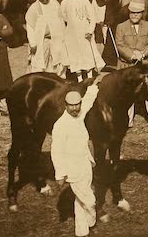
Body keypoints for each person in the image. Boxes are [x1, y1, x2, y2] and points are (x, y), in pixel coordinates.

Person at [51, 81, 101, 237]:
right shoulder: (60, 125)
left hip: (86, 163)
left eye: (77, 105)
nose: (75, 108)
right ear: (65, 105)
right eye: (71, 106)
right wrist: (60, 174)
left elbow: (88, 101)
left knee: (80, 200)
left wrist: (94, 86)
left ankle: (82, 230)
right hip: (73, 169)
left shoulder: (79, 115)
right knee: (90, 200)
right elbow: (56, 151)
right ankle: (91, 220)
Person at [114, 0, 148, 128]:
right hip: (127, 64)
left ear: (142, 13)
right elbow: (120, 45)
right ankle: (128, 120)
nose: (135, 15)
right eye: (132, 12)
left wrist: (143, 53)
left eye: (137, 13)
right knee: (127, 92)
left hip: (145, 63)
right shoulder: (121, 27)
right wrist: (132, 55)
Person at [60, 0, 104, 82]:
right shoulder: (65, 2)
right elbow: (64, 18)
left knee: (87, 53)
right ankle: (79, 78)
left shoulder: (84, 1)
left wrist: (89, 30)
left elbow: (92, 17)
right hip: (71, 33)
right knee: (74, 54)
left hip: (84, 32)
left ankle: (89, 77)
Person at [25, 0, 67, 75]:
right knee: (39, 63)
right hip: (41, 41)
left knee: (56, 60)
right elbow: (30, 27)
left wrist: (63, 36)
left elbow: (61, 20)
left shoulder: (55, 4)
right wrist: (32, 43)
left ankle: (56, 80)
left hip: (55, 39)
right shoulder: (34, 8)